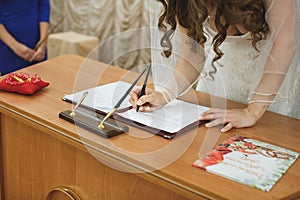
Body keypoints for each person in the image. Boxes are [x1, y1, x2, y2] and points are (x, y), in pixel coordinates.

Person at [129, 0, 299, 132]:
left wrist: (252, 112)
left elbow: (286, 42)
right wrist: (164, 94)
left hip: (274, 86)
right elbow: (192, 58)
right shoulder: (184, 3)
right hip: (222, 83)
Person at [0, 0, 50, 76]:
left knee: (42, 80)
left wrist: (42, 43)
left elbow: (44, 11)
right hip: (9, 49)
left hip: (38, 48)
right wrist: (14, 45)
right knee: (13, 83)